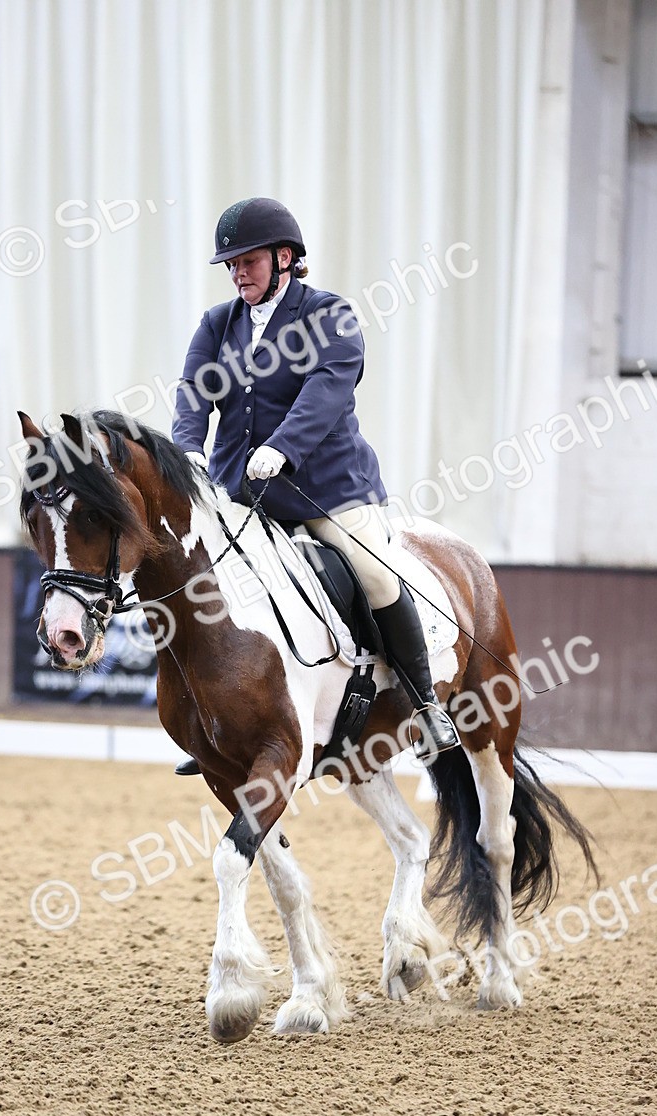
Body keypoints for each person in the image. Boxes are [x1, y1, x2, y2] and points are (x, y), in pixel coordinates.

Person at [171, 197, 459, 774]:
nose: (237, 273)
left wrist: (282, 447)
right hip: (241, 491)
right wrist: (187, 450)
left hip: (325, 488)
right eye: (231, 265)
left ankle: (425, 703)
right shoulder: (216, 324)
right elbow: (193, 392)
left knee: (376, 575)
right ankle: (219, 724)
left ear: (284, 258)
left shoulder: (330, 317)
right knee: (206, 586)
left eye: (248, 261)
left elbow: (326, 391)